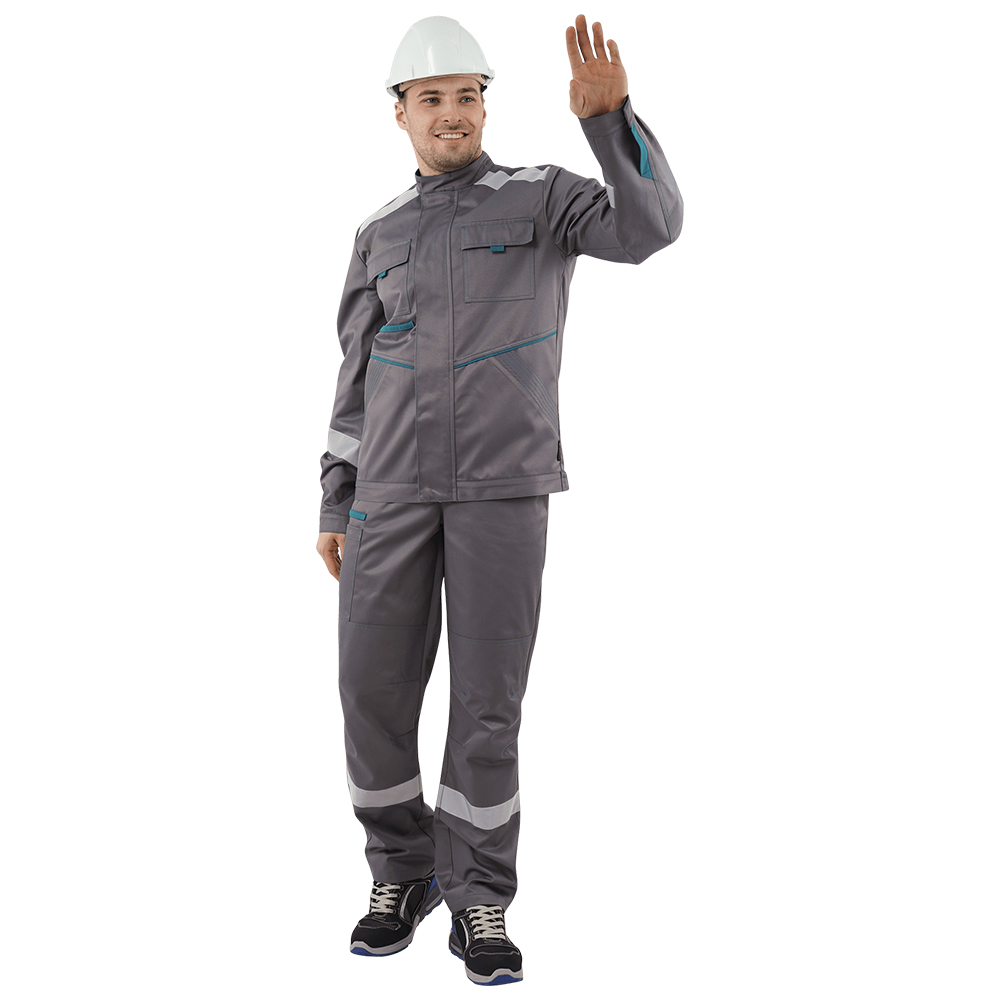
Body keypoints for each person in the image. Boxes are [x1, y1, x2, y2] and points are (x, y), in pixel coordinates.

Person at [316, 13, 683, 986]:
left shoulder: (544, 197)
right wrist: (335, 501)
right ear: (400, 113)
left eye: (468, 96)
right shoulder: (378, 232)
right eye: (432, 98)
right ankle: (401, 872)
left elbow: (649, 230)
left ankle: (478, 893)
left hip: (502, 489)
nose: (453, 113)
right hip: (387, 493)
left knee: (487, 706)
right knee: (370, 693)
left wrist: (611, 124)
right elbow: (354, 381)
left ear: (486, 106)